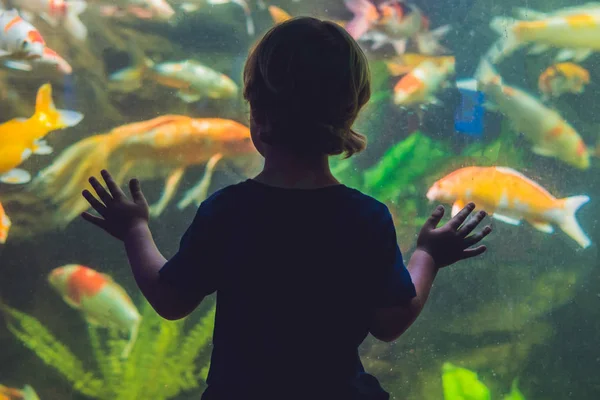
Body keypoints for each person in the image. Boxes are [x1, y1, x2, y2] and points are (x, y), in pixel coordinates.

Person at [80, 17, 492, 400]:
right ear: (351, 111)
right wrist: (429, 256)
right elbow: (388, 323)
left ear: (257, 116)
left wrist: (135, 229)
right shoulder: (365, 217)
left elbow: (171, 301)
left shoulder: (228, 211)